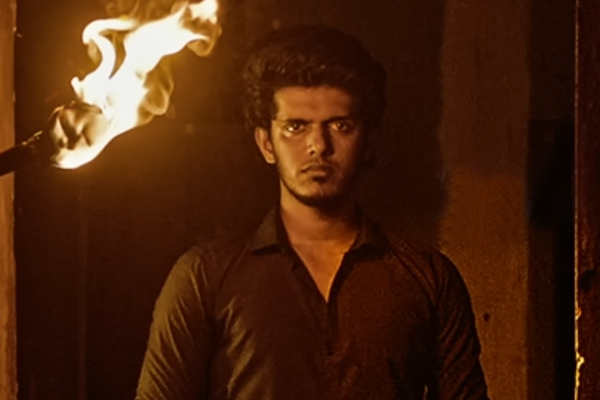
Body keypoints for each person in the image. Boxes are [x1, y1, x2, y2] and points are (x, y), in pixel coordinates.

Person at [135, 24, 489, 400]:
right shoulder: (204, 277)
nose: (318, 145)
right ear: (266, 143)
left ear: (369, 140)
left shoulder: (427, 278)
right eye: (295, 127)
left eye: (340, 125)